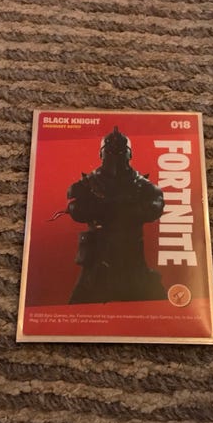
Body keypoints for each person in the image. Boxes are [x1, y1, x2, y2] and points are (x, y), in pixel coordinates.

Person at [67, 126, 167, 304]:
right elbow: (75, 208)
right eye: (110, 152)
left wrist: (125, 212)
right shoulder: (89, 183)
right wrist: (100, 209)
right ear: (102, 153)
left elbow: (156, 206)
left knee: (158, 303)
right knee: (77, 307)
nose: (115, 157)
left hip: (130, 256)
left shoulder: (141, 185)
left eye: (119, 152)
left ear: (128, 154)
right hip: (98, 258)